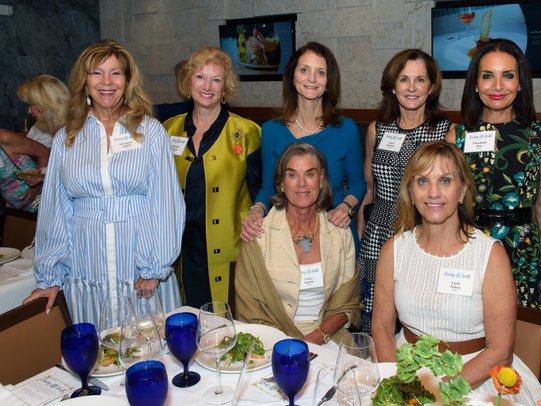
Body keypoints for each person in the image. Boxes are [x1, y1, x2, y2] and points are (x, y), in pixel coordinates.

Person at [24, 39, 185, 326]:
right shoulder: (67, 138)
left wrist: (153, 266)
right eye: (97, 72)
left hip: (139, 267)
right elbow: (55, 210)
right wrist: (50, 276)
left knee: (149, 355)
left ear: (127, 81)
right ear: (84, 82)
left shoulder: (150, 132)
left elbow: (165, 202)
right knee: (98, 358)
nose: (106, 82)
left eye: (116, 73)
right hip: (86, 266)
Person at [371, 141, 541, 403]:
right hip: (404, 369)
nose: (433, 193)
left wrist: (439, 393)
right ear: (410, 190)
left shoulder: (490, 256)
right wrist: (397, 382)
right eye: (422, 181)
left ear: (462, 191)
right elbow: (382, 326)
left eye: (445, 181)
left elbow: (500, 351)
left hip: (474, 376)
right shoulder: (394, 249)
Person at [446, 39, 541, 311]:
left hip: (524, 256)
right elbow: (448, 208)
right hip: (470, 249)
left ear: (520, 83)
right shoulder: (457, 136)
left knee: (522, 345)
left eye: (508, 75)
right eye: (488, 76)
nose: (498, 86)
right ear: (475, 83)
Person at [357, 49, 454, 333]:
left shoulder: (446, 133)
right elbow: (369, 189)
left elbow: (452, 198)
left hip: (424, 235)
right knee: (375, 320)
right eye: (403, 79)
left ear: (432, 86)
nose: (411, 88)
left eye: (420, 80)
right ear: (392, 86)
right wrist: (362, 236)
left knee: (420, 320)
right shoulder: (378, 129)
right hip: (377, 236)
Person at [241, 42, 365, 249]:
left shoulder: (346, 129)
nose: (312, 79)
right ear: (292, 77)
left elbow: (358, 185)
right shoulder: (272, 130)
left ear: (328, 82)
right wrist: (256, 210)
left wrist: (346, 207)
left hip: (335, 230)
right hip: (288, 235)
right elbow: (267, 188)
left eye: (320, 72)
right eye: (304, 70)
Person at [163, 47, 261, 308]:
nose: (207, 86)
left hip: (230, 246)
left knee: (226, 322)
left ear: (225, 87)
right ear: (188, 81)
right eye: (200, 77)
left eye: (216, 79)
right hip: (182, 248)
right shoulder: (168, 130)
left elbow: (262, 191)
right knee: (190, 319)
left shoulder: (247, 132)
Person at [235, 143, 362, 345]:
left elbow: (349, 302)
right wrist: (288, 346)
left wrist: (317, 336)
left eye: (310, 174)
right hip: (270, 340)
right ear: (282, 183)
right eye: (292, 175)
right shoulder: (259, 234)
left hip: (329, 336)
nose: (301, 183)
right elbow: (249, 308)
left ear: (321, 180)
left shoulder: (339, 232)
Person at [0, 74, 69, 212]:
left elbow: (77, 171)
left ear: (45, 105)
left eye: (31, 105)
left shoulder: (72, 132)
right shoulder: (57, 131)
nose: (29, 111)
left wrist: (41, 177)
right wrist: (41, 173)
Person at [17, 74, 70, 148]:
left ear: (43, 105)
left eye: (30, 105)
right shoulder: (39, 126)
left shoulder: (74, 135)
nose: (29, 111)